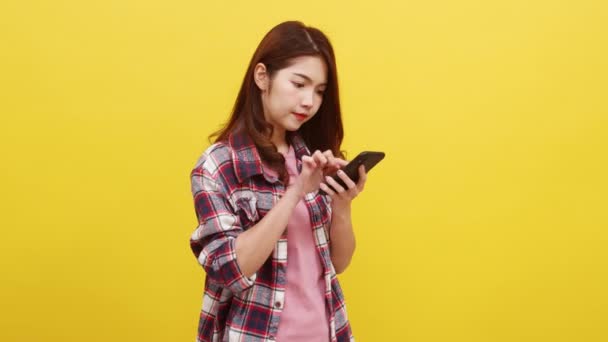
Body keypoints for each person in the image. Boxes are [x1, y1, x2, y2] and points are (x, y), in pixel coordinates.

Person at [189, 20, 367, 342]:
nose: (309, 101)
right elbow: (232, 270)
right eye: (299, 84)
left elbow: (338, 263)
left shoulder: (311, 158)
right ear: (262, 76)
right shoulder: (217, 166)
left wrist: (342, 205)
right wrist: (296, 191)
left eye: (319, 91)